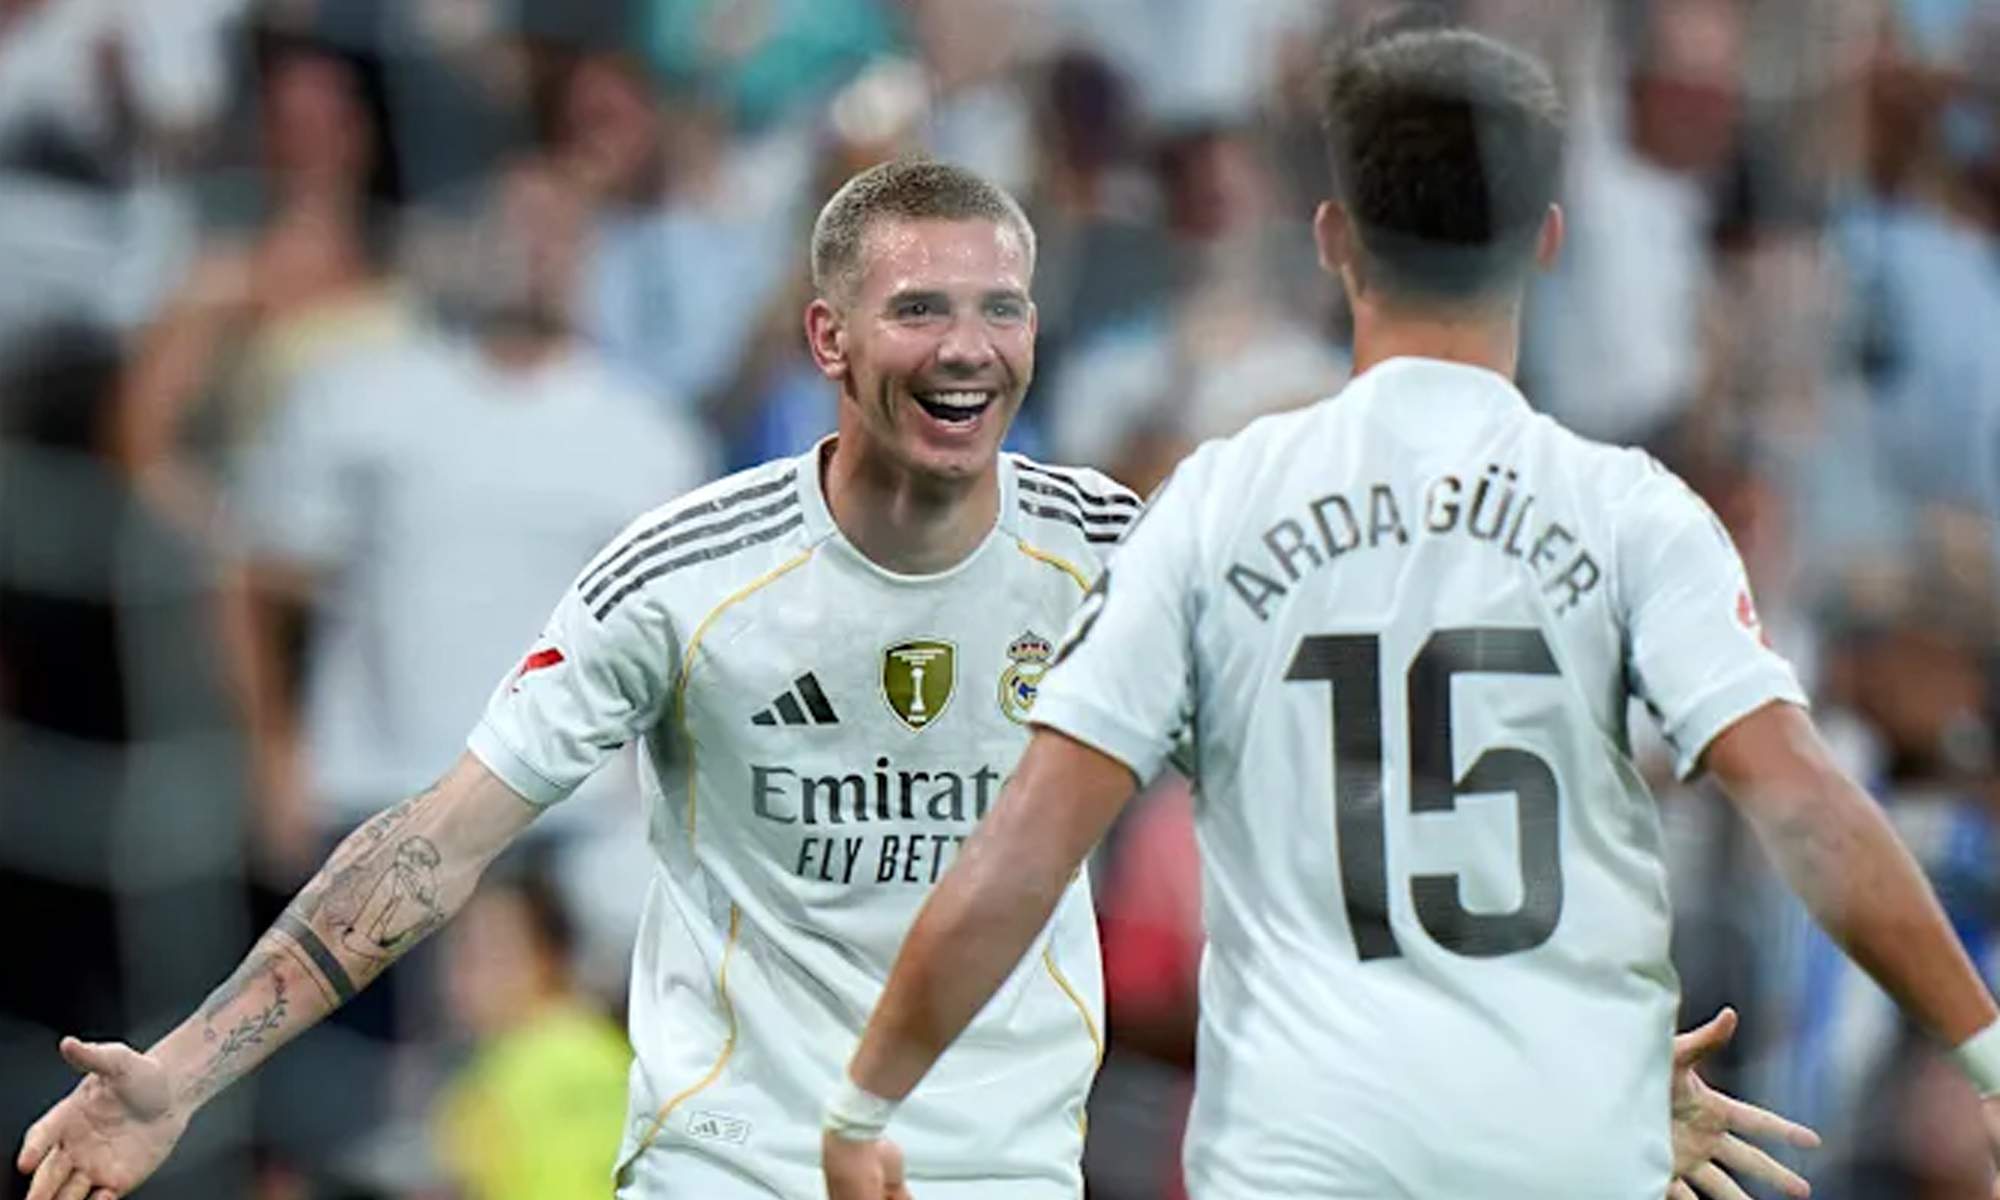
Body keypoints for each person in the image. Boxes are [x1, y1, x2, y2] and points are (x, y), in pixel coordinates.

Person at [16, 158, 1805, 1200]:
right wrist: (181, 1071)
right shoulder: (687, 575)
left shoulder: (1126, 556)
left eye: (1000, 311)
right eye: (922, 311)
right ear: (830, 341)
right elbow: (434, 844)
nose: (967, 348)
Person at [821, 26, 2000, 1200]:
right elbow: (1804, 804)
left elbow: (1027, 844)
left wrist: (867, 1100)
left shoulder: (1217, 505)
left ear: (1333, 238)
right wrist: (1987, 1062)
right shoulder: (1629, 512)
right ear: (1545, 239)